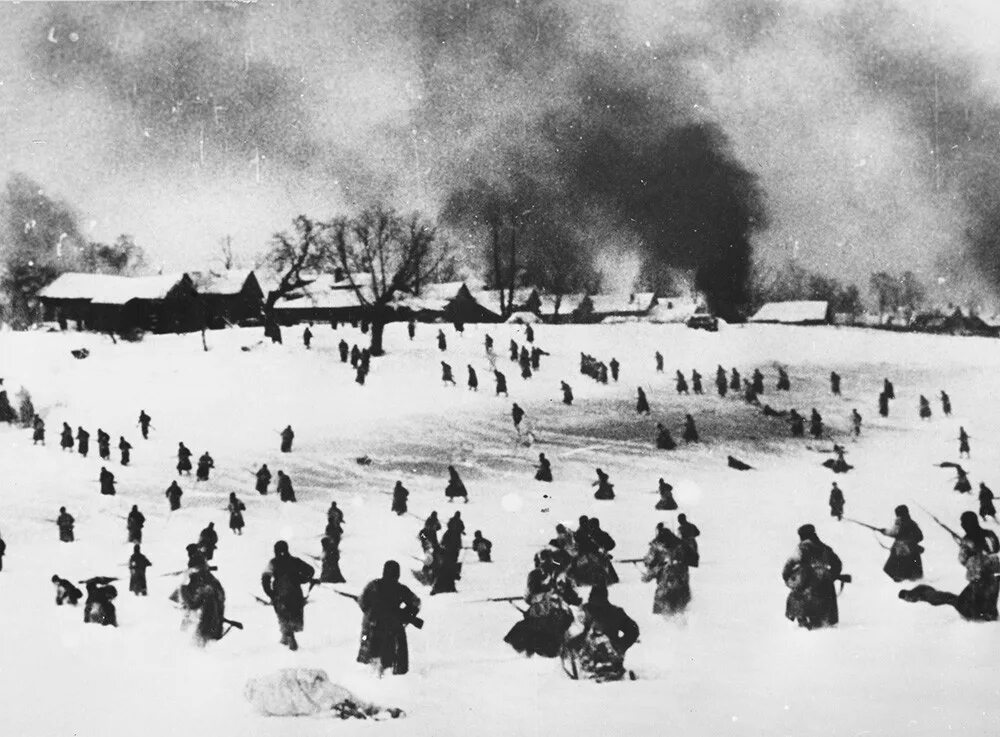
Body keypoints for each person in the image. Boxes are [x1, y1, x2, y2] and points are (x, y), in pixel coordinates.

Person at [900, 512, 1000, 621]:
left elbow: (962, 560)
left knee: (958, 602)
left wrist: (967, 548)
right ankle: (987, 614)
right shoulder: (989, 534)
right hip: (993, 578)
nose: (962, 525)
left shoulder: (967, 540)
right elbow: (996, 548)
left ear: (968, 523)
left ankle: (920, 594)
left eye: (963, 523)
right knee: (984, 603)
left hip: (979, 580)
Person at [357, 560, 422, 676]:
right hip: (393, 628)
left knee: (371, 660)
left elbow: (362, 602)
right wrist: (405, 616)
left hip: (374, 626)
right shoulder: (401, 589)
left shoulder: (374, 585)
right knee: (393, 662)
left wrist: (370, 613)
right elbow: (416, 603)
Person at [564, 584, 639, 682]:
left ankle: (597, 667)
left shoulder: (584, 611)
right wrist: (621, 646)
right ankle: (609, 666)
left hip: (589, 657)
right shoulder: (615, 612)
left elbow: (577, 632)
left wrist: (571, 646)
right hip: (612, 654)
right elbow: (633, 630)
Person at [781, 524, 843, 630]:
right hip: (826, 585)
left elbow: (789, 565)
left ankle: (804, 623)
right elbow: (837, 564)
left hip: (809, 584)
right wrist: (830, 576)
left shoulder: (802, 547)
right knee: (825, 622)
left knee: (797, 600)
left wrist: (788, 577)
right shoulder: (824, 548)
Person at [261, 540, 316, 651]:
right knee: (294, 614)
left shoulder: (273, 562)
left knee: (283, 615)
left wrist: (270, 592)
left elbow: (265, 577)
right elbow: (310, 570)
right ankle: (286, 636)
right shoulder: (295, 561)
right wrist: (301, 579)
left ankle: (288, 635)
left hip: (280, 593)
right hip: (295, 592)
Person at [173, 556, 227, 646]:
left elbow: (192, 604)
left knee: (194, 650)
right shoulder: (210, 580)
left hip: (206, 627)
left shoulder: (205, 584)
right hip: (212, 624)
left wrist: (183, 587)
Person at [642, 526, 691, 616]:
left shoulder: (657, 548)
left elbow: (650, 563)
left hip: (665, 591)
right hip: (683, 589)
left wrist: (647, 575)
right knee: (681, 614)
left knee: (665, 618)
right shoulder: (681, 547)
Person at [878, 505, 923, 582]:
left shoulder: (899, 521)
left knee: (890, 569)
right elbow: (920, 537)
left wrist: (884, 531)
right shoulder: (912, 523)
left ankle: (899, 583)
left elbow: (894, 533)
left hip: (900, 550)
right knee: (912, 573)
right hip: (913, 550)